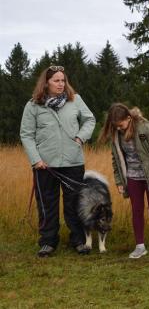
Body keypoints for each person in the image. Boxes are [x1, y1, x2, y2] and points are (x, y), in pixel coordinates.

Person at [20, 65, 96, 257]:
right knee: (47, 204)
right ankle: (48, 241)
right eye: (56, 80)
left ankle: (78, 240)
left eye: (63, 80)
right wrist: (36, 160)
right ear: (46, 83)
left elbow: (90, 120)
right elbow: (26, 134)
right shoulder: (33, 105)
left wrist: (80, 137)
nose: (61, 84)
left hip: (73, 162)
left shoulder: (75, 100)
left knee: (74, 203)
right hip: (45, 165)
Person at [98, 103, 149, 259]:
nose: (119, 128)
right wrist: (119, 181)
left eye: (121, 124)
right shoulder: (116, 135)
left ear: (129, 118)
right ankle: (140, 246)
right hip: (132, 177)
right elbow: (116, 159)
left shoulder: (146, 128)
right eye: (115, 126)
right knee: (136, 210)